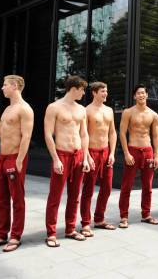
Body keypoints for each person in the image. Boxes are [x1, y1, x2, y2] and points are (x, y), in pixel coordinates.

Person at [0, 75, 34, 252]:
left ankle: (15, 236)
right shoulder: (6, 110)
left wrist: (19, 159)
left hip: (14, 157)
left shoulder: (25, 109)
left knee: (17, 199)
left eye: (5, 85)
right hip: (2, 158)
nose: (2, 88)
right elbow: (0, 133)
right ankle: (1, 234)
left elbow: (26, 136)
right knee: (1, 198)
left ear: (14, 86)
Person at [44, 75, 91, 247]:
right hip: (62, 154)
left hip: (78, 155)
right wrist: (55, 159)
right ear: (74, 88)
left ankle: (70, 229)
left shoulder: (81, 109)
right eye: (82, 89)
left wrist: (85, 158)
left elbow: (84, 134)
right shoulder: (54, 107)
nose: (84, 93)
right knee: (55, 196)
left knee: (75, 195)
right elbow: (48, 134)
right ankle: (51, 233)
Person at [118, 85, 158, 228]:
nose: (141, 95)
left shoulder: (154, 115)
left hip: (148, 150)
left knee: (148, 186)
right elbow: (122, 133)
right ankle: (124, 216)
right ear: (134, 96)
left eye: (143, 93)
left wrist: (156, 155)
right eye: (138, 93)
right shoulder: (128, 112)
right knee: (127, 185)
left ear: (147, 95)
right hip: (133, 150)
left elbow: (155, 135)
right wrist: (126, 153)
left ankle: (146, 214)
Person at [79, 82, 117, 237]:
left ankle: (100, 219)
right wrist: (86, 156)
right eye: (102, 91)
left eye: (106, 91)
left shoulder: (109, 110)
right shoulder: (86, 111)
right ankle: (86, 223)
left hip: (106, 152)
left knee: (107, 187)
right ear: (94, 93)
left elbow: (112, 133)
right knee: (88, 189)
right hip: (92, 152)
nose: (106, 93)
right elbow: (83, 135)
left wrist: (113, 153)